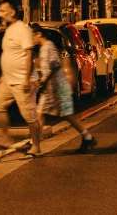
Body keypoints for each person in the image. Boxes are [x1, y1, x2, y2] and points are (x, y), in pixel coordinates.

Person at [31, 24, 97, 153]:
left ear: (38, 34)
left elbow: (54, 65)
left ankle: (88, 137)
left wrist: (43, 80)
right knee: (40, 114)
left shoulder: (48, 47)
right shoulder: (45, 47)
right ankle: (34, 144)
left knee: (67, 115)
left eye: (32, 36)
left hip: (58, 87)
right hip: (51, 88)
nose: (31, 39)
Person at [0, 0, 42, 157]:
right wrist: (4, 76)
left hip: (22, 81)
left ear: (12, 12)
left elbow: (28, 54)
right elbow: (10, 54)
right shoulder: (8, 30)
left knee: (29, 116)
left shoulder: (22, 30)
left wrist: (26, 78)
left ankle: (36, 147)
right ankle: (5, 137)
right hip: (9, 81)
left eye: (3, 11)